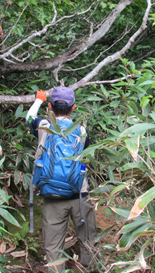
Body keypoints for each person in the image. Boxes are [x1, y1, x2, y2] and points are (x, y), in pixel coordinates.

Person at [26, 87, 97, 272]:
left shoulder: (44, 126)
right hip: (80, 195)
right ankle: (88, 269)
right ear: (73, 108)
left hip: (52, 197)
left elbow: (29, 118)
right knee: (88, 241)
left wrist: (38, 100)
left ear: (50, 107)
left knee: (53, 247)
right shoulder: (82, 131)